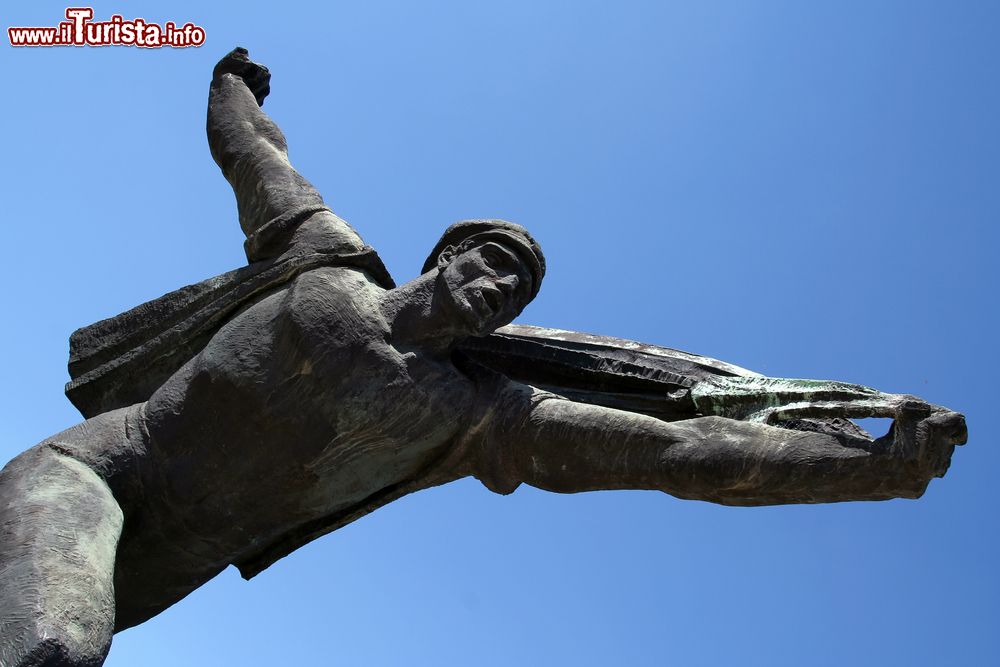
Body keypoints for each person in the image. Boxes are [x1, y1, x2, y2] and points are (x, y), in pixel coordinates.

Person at [0, 49, 966, 667]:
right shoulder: (324, 264)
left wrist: (877, 467)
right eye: (494, 262)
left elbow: (681, 454)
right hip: (98, 472)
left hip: (171, 561)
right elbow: (256, 157)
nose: (502, 286)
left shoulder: (475, 417)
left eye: (520, 288)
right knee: (52, 643)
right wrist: (230, 84)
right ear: (445, 254)